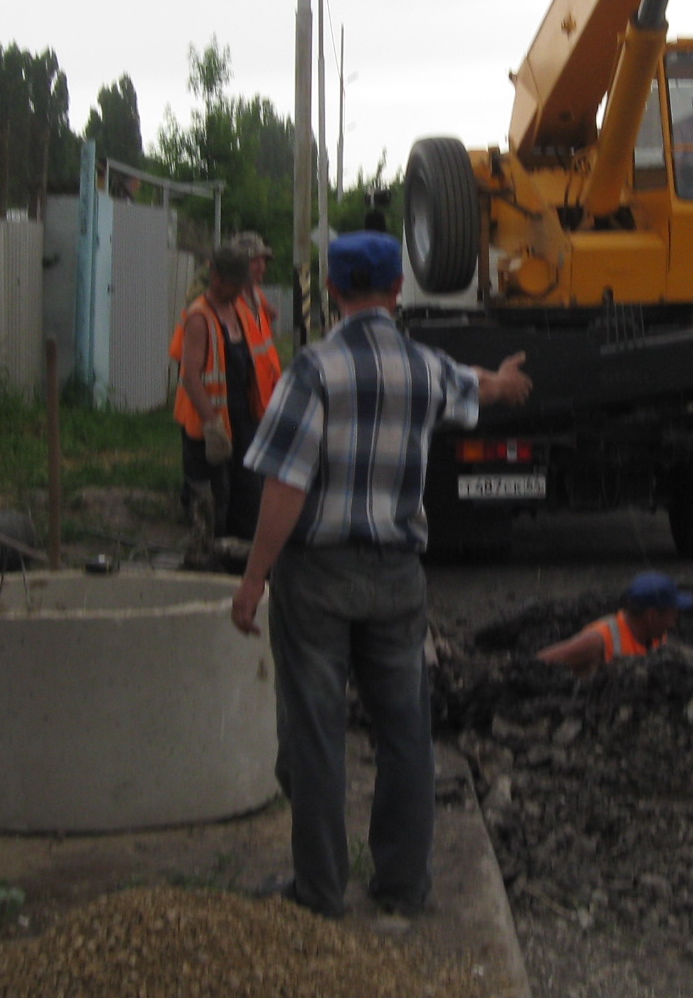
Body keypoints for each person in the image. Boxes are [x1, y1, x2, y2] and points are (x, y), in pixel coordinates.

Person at [229, 230, 532, 920]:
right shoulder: (424, 367)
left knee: (315, 732)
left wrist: (253, 581)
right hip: (397, 576)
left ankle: (320, 890)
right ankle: (401, 885)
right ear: (398, 291)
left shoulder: (313, 370)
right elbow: (474, 385)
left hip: (319, 578)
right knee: (404, 734)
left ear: (332, 290)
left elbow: (286, 485)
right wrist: (507, 383)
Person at [174, 243, 264, 540]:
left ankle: (238, 565)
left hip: (243, 422)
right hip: (210, 429)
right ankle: (207, 560)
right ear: (217, 278)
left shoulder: (238, 310)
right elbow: (190, 377)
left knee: (248, 498)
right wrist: (212, 425)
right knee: (213, 503)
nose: (240, 290)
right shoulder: (200, 317)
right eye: (236, 284)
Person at [537, 571, 693, 676]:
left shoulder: (656, 635)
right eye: (672, 614)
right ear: (651, 616)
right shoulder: (598, 641)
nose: (674, 622)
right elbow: (536, 664)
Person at [232, 232, 284, 413]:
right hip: (238, 403)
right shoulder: (229, 302)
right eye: (255, 261)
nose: (262, 266)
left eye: (264, 261)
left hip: (260, 401)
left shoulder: (257, 297)